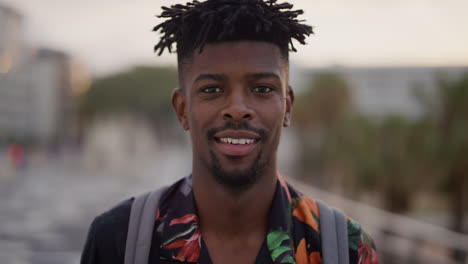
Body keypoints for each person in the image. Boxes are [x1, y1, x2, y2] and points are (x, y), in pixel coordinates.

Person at [81, 0, 379, 263]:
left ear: (287, 106)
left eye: (262, 88)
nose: (237, 108)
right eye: (212, 89)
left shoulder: (344, 248)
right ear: (182, 109)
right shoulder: (118, 240)